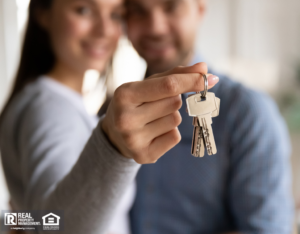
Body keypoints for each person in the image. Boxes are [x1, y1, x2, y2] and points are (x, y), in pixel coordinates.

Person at [0, 0, 219, 233]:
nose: (104, 30)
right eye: (83, 10)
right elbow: (55, 223)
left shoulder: (52, 100)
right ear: (43, 14)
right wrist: (113, 150)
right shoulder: (49, 109)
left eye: (115, 15)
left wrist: (13, 221)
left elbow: (43, 219)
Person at [119, 0, 293, 233]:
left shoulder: (248, 113)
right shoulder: (114, 114)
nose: (155, 28)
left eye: (171, 7)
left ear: (200, 9)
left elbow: (268, 228)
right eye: (138, 11)